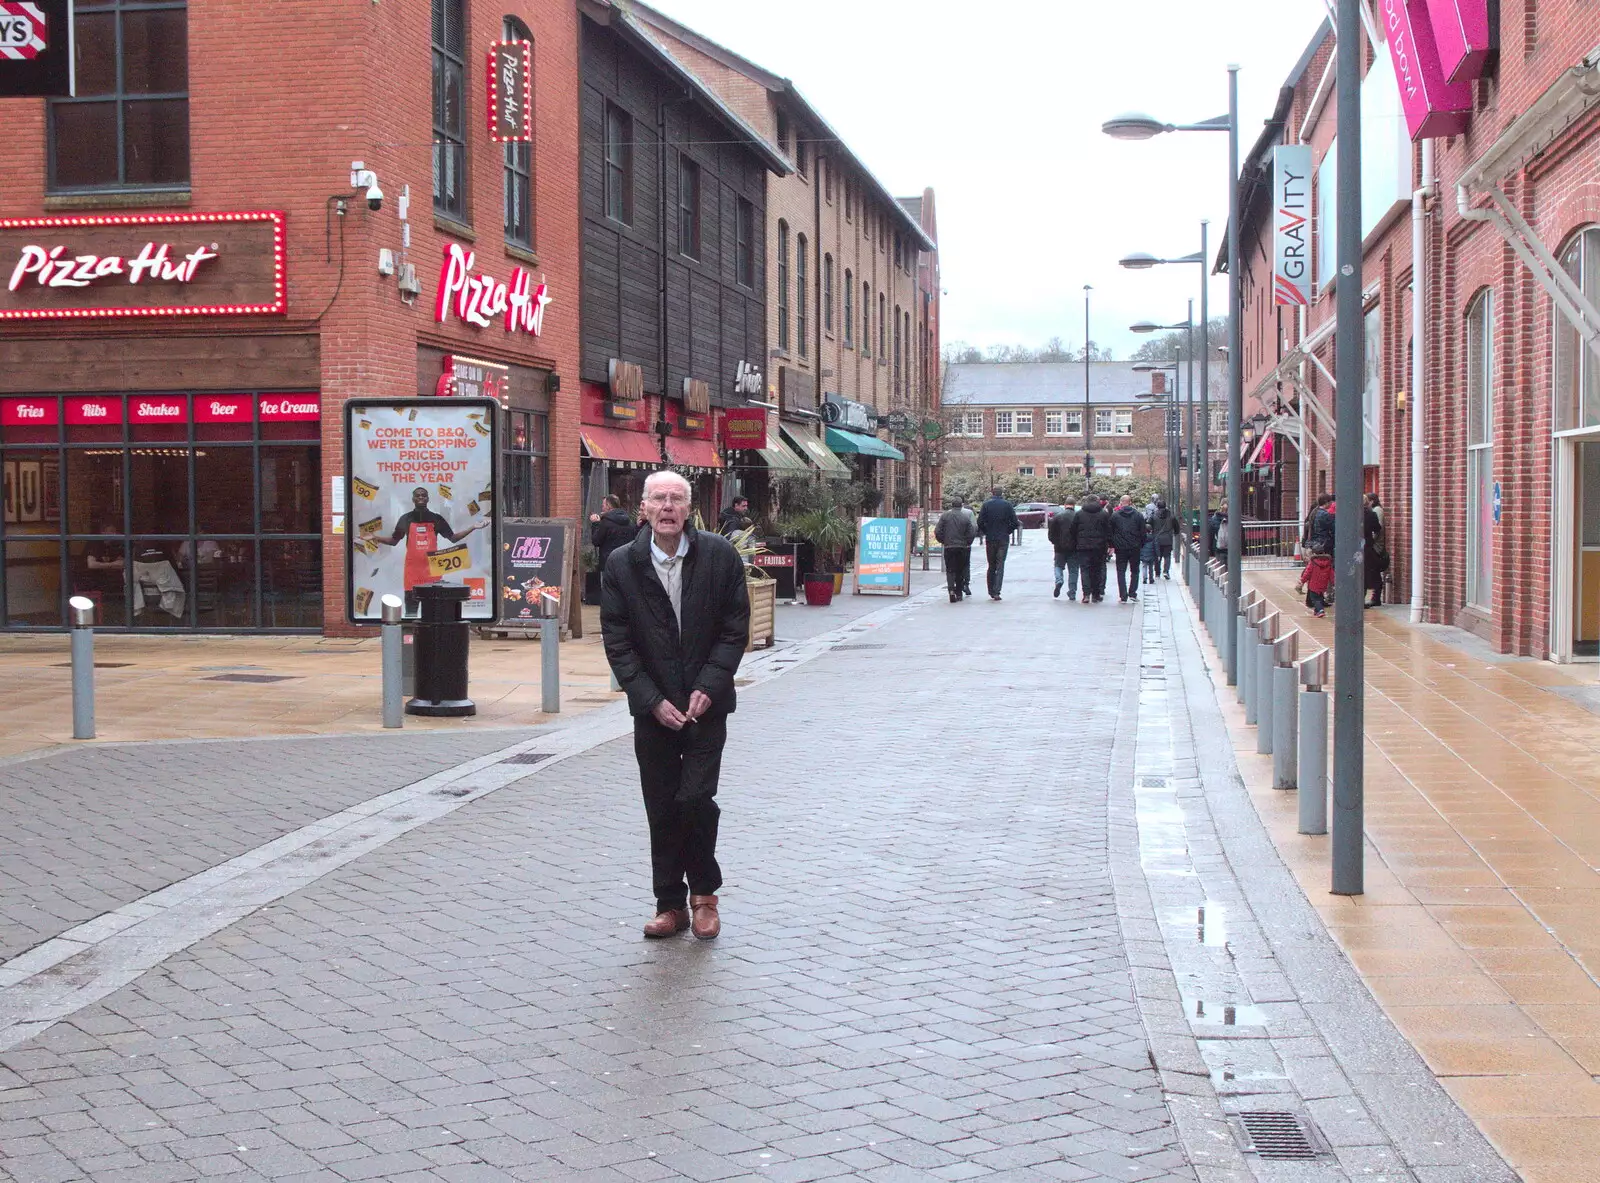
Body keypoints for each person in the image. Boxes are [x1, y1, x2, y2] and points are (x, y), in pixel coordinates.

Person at [601, 470, 750, 942]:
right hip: (654, 708)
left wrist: (709, 684)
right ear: (642, 507)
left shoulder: (720, 556)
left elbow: (734, 628)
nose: (667, 506)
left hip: (707, 705)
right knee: (661, 805)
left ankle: (704, 896)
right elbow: (618, 642)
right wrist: (649, 699)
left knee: (695, 799)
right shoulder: (622, 564)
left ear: (689, 509)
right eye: (658, 498)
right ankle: (670, 903)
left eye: (676, 499)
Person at [376, 487, 489, 607]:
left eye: (423, 495)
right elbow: (394, 541)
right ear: (413, 499)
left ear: (427, 498)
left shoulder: (436, 519)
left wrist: (473, 527)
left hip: (432, 571)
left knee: (432, 610)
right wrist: (374, 537)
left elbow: (453, 538)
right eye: (418, 495)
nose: (420, 498)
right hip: (412, 572)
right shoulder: (405, 519)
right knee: (411, 610)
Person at [976, 486, 1020, 601]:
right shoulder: (1007, 505)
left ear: (992, 493)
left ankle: (990, 589)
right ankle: (997, 591)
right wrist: (1007, 531)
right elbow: (1015, 522)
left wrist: (986, 531)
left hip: (990, 538)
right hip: (1003, 539)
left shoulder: (986, 505)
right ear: (1002, 493)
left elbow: (980, 521)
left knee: (991, 565)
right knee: (1000, 565)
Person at [1066, 494, 1112, 603]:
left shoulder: (1080, 514)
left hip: (1083, 546)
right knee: (1097, 570)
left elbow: (1072, 530)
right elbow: (1108, 531)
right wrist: (1109, 544)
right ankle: (1096, 595)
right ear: (1097, 501)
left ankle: (1086, 594)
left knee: (1085, 570)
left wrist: (1077, 541)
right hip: (1099, 547)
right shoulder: (1103, 514)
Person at [934, 497, 978, 602]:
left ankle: (951, 591)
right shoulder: (965, 517)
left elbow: (937, 531)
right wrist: (967, 542)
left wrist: (943, 541)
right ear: (961, 505)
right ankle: (959, 593)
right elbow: (971, 533)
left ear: (952, 505)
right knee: (960, 570)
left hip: (949, 547)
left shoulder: (945, 516)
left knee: (950, 570)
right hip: (962, 547)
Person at [1109, 494, 1149, 603]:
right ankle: (1133, 593)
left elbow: (1110, 532)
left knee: (1121, 571)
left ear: (1121, 503)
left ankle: (1123, 595)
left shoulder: (1115, 516)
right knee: (1135, 570)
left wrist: (1112, 545)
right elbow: (1143, 532)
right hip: (1135, 547)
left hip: (1120, 548)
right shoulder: (1138, 515)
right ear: (1130, 502)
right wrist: (1141, 544)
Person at [590, 495, 636, 570]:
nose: (602, 508)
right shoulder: (628, 521)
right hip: (625, 563)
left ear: (608, 506)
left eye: (603, 505)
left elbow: (596, 541)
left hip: (608, 564)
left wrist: (596, 524)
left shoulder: (606, 523)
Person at [1047, 499, 1079, 600]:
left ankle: (1059, 580)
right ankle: (1072, 591)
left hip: (1059, 548)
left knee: (1058, 566)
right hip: (1074, 548)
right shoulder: (1077, 517)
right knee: (1073, 570)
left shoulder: (1057, 517)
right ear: (1074, 505)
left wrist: (1055, 542)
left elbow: (1051, 534)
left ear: (1065, 505)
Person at [1363, 494, 1388, 608]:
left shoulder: (1352, 514)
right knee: (1372, 572)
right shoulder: (1371, 514)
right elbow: (1377, 528)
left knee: (1361, 573)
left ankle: (1361, 598)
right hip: (1368, 547)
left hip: (1359, 548)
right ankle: (1375, 596)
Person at [1298, 543, 1334, 617]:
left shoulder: (1313, 562)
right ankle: (1316, 611)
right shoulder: (1328, 562)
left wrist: (1302, 581)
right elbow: (1332, 574)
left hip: (1313, 585)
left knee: (1315, 599)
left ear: (1313, 553)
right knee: (1320, 597)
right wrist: (1334, 582)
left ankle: (1320, 610)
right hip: (1323, 584)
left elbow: (1307, 573)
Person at [1149, 497, 1176, 579]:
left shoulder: (1153, 516)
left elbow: (1148, 524)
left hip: (1157, 538)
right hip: (1168, 539)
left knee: (1157, 556)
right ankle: (1166, 571)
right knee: (1167, 556)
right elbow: (1176, 527)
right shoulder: (1171, 516)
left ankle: (1157, 573)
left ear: (1157, 506)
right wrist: (1175, 532)